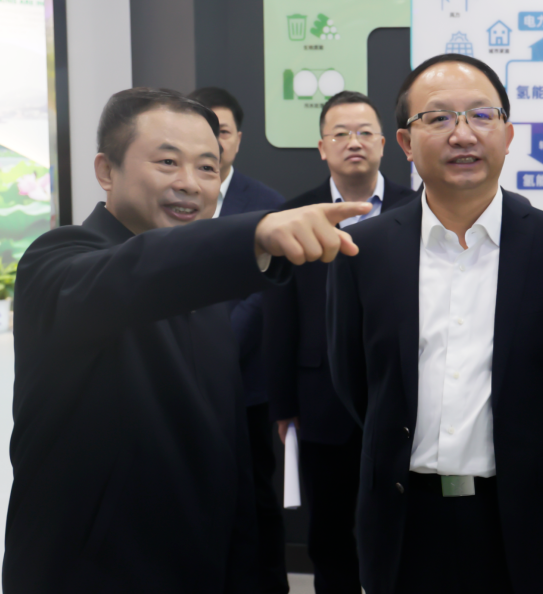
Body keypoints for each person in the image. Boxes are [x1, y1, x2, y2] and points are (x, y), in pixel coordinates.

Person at [2, 87, 370, 594]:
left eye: (207, 168)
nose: (190, 184)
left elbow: (231, 466)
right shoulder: (59, 261)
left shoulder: (207, 296)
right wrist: (254, 235)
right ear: (107, 171)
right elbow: (137, 273)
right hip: (91, 574)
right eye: (167, 162)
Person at [326, 54, 543, 594]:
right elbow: (356, 382)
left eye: (481, 115)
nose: (462, 134)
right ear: (406, 143)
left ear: (508, 134)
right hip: (405, 520)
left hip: (521, 519)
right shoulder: (364, 250)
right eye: (437, 118)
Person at [263, 90, 415, 593]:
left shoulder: (418, 208)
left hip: (403, 392)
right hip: (320, 399)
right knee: (329, 530)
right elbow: (279, 316)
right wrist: (284, 405)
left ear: (386, 144)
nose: (354, 142)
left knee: (404, 525)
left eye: (365, 132)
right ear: (322, 147)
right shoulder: (291, 215)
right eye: (341, 133)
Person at [187, 85, 288, 594]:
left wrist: (213, 347)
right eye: (201, 131)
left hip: (244, 382)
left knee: (254, 494)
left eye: (221, 131)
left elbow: (261, 295)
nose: (212, 142)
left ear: (238, 139)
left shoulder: (266, 205)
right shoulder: (173, 199)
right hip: (180, 381)